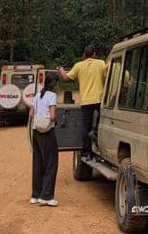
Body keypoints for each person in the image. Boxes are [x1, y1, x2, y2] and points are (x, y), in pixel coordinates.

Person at [58, 47, 107, 157]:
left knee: (86, 125)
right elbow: (107, 75)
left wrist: (61, 70)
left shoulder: (78, 65)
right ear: (94, 54)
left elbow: (65, 78)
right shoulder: (101, 63)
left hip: (86, 101)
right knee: (101, 123)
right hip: (99, 99)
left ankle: (86, 151)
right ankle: (99, 143)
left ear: (84, 55)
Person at [29, 70, 59, 207]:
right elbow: (52, 116)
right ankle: (46, 196)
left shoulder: (37, 95)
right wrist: (55, 120)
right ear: (54, 83)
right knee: (51, 164)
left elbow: (31, 114)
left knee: (38, 162)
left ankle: (35, 195)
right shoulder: (52, 95)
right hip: (47, 132)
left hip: (36, 131)